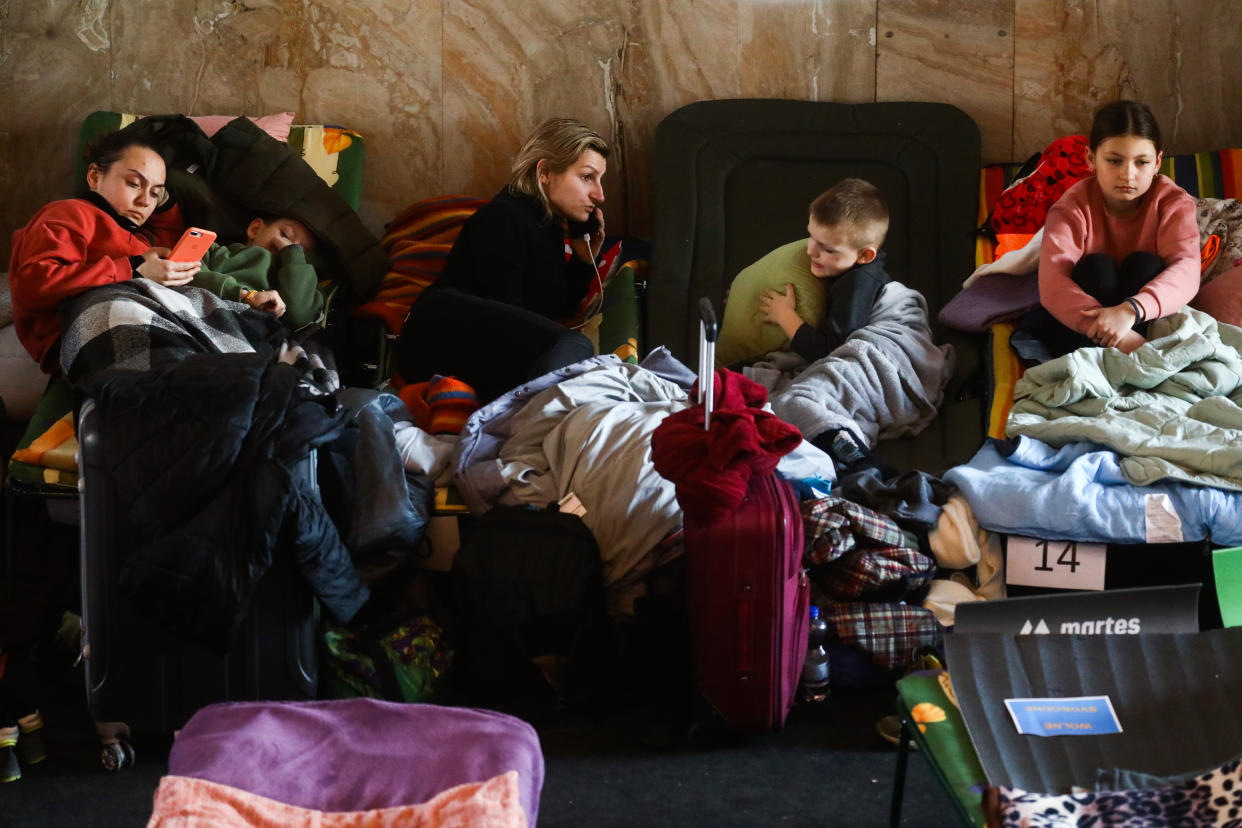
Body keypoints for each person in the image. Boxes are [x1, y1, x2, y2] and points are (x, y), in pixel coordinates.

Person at [395, 117, 606, 402]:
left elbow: (554, 308)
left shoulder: (548, 226)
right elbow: (511, 320)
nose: (599, 194)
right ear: (544, 172)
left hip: (488, 340)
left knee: (568, 348)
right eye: (586, 177)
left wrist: (583, 260)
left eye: (599, 180)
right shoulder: (502, 219)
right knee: (573, 346)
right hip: (436, 331)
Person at [9, 131, 198, 373]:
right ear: (94, 176)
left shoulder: (137, 235)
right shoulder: (70, 213)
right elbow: (34, 284)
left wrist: (165, 205)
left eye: (154, 193)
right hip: (85, 333)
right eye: (133, 183)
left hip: (153, 322)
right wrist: (133, 268)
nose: (144, 201)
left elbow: (168, 240)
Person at [1023, 99, 1200, 356]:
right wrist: (1116, 333)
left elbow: (1187, 270)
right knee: (1096, 267)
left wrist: (1131, 311)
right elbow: (1052, 284)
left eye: (1142, 162)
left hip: (1145, 325)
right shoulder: (1071, 207)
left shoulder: (1172, 203)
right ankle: (1112, 359)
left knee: (1145, 264)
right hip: (1086, 327)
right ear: (1091, 158)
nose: (1128, 174)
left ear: (1158, 162)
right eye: (1114, 161)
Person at [757, 177, 892, 364]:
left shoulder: (858, 283)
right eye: (811, 236)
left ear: (864, 256)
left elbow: (831, 352)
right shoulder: (842, 266)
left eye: (828, 249)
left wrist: (784, 314)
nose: (810, 250)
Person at [191, 214, 326, 330]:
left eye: (301, 252)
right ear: (255, 229)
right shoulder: (215, 251)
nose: (288, 247)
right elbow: (185, 269)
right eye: (285, 235)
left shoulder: (306, 285)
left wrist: (293, 256)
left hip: (248, 334)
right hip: (196, 313)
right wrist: (243, 295)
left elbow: (300, 316)